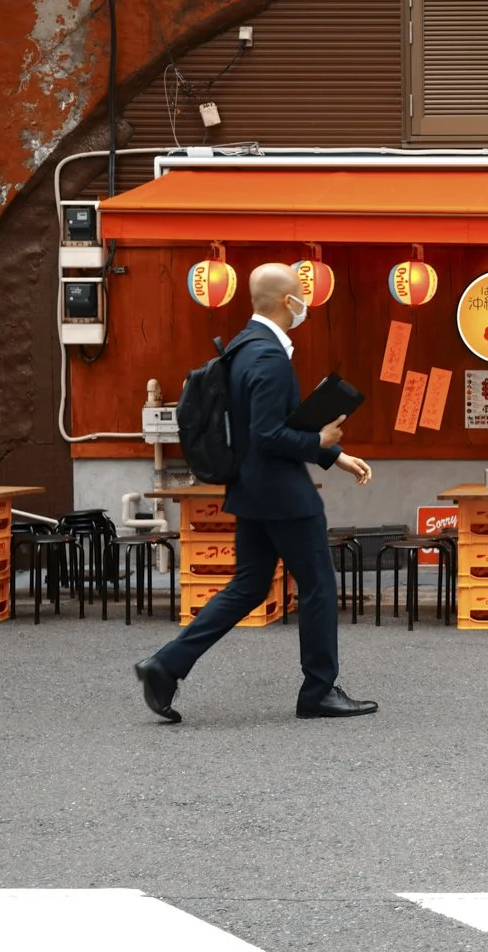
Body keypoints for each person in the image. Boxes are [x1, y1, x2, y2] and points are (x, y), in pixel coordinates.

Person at [134, 263, 377, 723]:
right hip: (284, 496)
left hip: (252, 491)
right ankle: (318, 692)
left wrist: (334, 455)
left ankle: (165, 665)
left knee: (248, 586)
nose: (306, 300)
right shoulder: (268, 357)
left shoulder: (244, 347)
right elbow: (268, 434)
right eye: (302, 292)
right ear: (288, 302)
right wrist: (320, 443)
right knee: (320, 587)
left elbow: (261, 430)